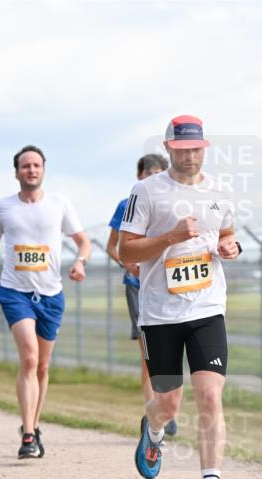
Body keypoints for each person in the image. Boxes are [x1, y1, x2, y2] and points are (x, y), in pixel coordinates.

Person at [118, 115, 242, 479]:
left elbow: (226, 234)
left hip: (207, 309)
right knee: (168, 404)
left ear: (204, 149)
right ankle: (153, 431)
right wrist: (170, 237)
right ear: (169, 148)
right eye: (182, 149)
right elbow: (126, 252)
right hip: (160, 314)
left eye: (196, 149)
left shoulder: (220, 191)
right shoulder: (146, 191)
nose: (190, 156)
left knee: (210, 396)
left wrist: (231, 247)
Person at [0, 145, 91, 459]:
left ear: (43, 170)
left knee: (42, 365)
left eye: (36, 165)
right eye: (25, 166)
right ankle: (28, 434)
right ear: (16, 172)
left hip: (51, 294)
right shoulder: (3, 207)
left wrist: (80, 262)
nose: (31, 170)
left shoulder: (59, 204)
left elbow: (83, 242)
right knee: (29, 358)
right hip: (15, 292)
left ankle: (34, 424)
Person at [105, 154, 179, 437]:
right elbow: (113, 246)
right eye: (150, 173)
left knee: (173, 349)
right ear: (139, 175)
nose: (154, 178)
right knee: (149, 354)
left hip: (166, 283)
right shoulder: (126, 205)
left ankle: (167, 407)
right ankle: (155, 411)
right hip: (137, 285)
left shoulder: (171, 205)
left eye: (160, 173)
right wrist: (128, 264)